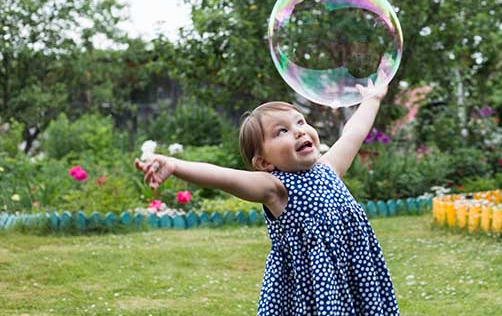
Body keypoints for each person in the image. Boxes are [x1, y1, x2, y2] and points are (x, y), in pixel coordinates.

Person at [134, 72, 400, 315]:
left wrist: (373, 99)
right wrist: (175, 165)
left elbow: (353, 133)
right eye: (281, 131)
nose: (298, 131)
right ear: (263, 162)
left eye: (300, 122)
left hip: (354, 270)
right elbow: (224, 177)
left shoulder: (329, 168)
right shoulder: (276, 189)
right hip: (314, 290)